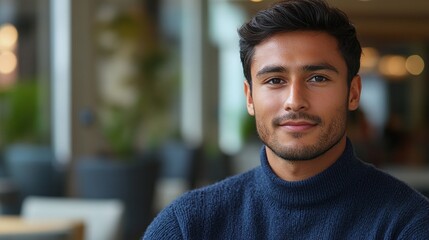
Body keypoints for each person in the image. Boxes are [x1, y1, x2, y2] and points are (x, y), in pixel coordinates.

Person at [143, 0, 429, 239]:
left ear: (353, 93)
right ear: (250, 98)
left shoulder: (408, 224)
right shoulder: (189, 225)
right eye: (275, 80)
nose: (294, 100)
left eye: (318, 78)